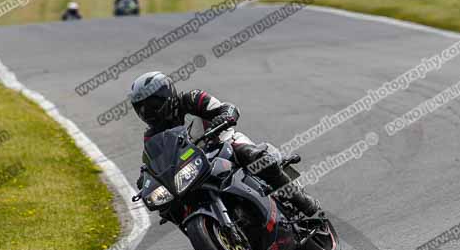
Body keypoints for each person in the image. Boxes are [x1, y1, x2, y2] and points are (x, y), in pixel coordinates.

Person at [129, 72, 320, 216]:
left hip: (224, 144)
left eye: (152, 105)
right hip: (196, 168)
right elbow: (152, 162)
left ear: (167, 95)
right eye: (141, 109)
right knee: (170, 206)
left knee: (254, 157)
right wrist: (146, 178)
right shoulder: (152, 135)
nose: (148, 113)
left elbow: (226, 108)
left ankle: (302, 201)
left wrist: (226, 116)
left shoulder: (191, 99)